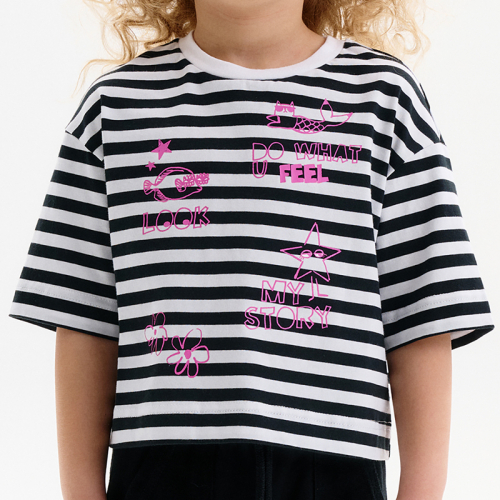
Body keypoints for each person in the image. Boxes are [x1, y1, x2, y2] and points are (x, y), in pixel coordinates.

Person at [9, 0, 494, 499]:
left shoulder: (385, 99)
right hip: (161, 466)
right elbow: (84, 320)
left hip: (332, 468)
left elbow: (423, 314)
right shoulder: (115, 107)